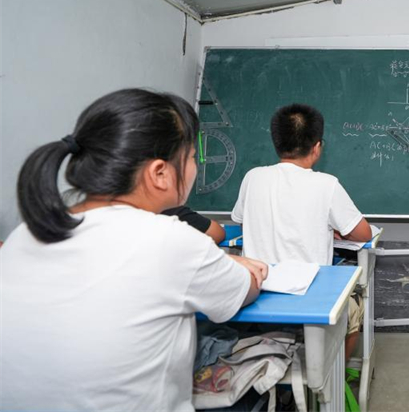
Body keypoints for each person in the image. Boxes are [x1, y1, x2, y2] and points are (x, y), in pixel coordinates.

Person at [0, 89, 267, 410]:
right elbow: (245, 290)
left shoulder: (25, 235)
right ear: (160, 173)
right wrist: (242, 268)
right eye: (192, 158)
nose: (195, 168)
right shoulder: (171, 240)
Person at [232, 103, 372, 360]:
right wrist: (335, 231)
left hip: (258, 293)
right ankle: (332, 375)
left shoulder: (252, 177)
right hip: (309, 299)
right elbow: (363, 234)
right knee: (355, 307)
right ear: (317, 147)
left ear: (276, 142)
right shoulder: (326, 184)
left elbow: (243, 222)